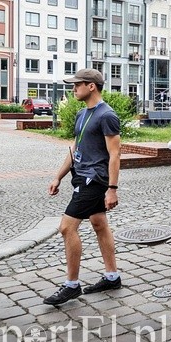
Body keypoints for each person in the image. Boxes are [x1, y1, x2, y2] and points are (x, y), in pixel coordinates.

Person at [43, 68, 122, 305]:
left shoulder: (107, 115)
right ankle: (112, 276)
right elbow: (75, 148)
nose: (73, 88)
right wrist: (58, 176)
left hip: (94, 179)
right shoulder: (82, 114)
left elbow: (115, 153)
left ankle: (71, 285)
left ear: (91, 86)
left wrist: (112, 188)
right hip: (81, 176)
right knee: (99, 223)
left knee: (67, 228)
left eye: (77, 84)